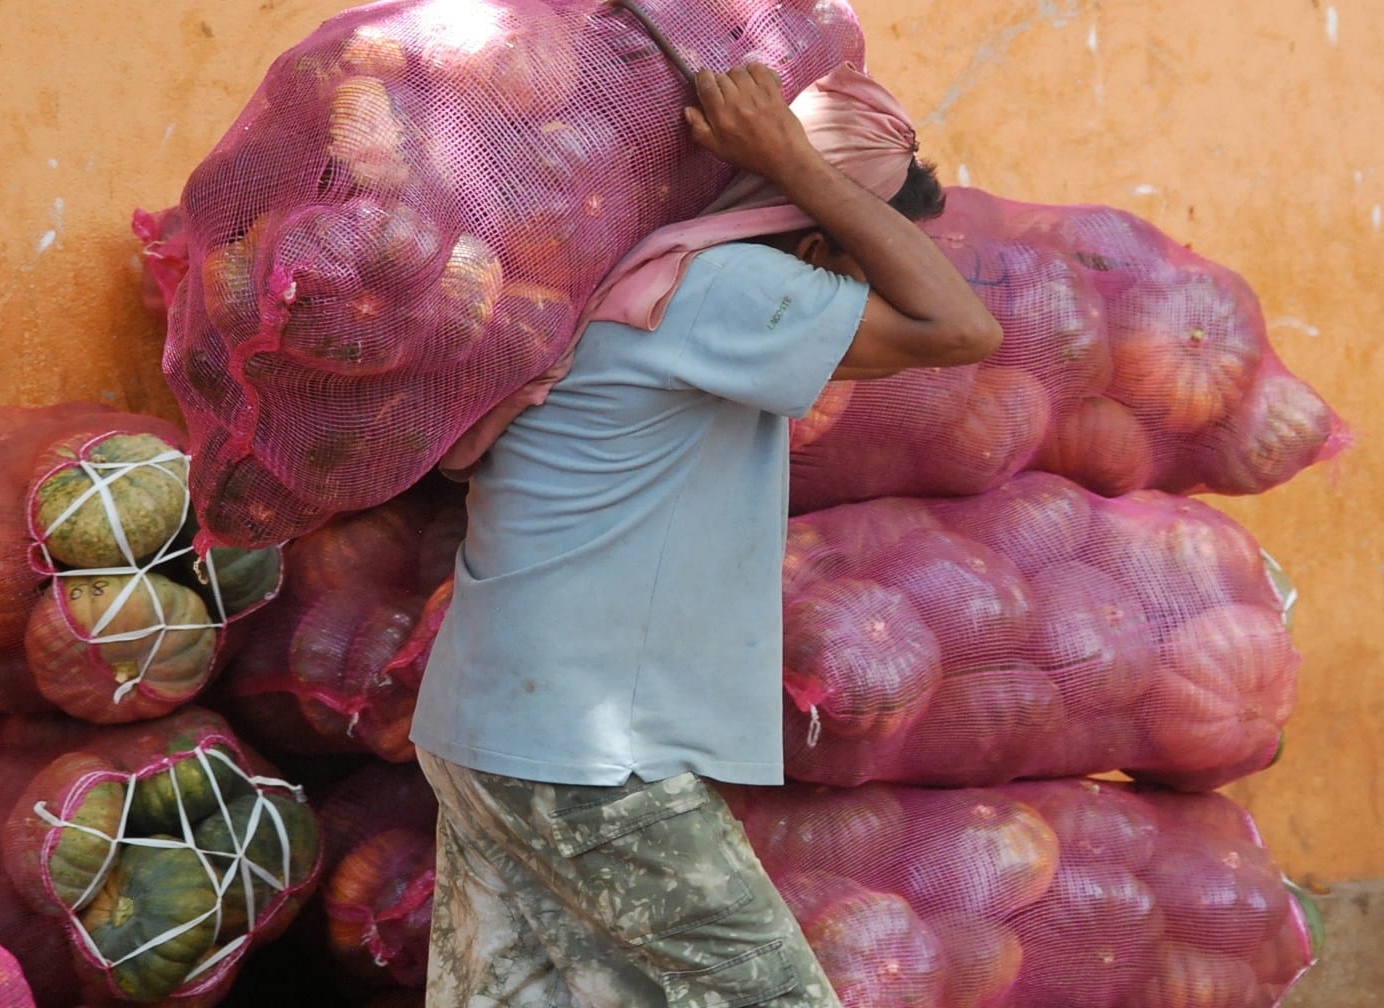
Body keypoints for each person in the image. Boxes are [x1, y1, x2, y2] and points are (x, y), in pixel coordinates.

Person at [409, 61, 1002, 1007]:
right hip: (586, 760)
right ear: (805, 233)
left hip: (493, 731)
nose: (861, 293)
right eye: (855, 257)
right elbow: (960, 327)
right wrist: (800, 163)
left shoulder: (640, 278)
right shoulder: (720, 287)